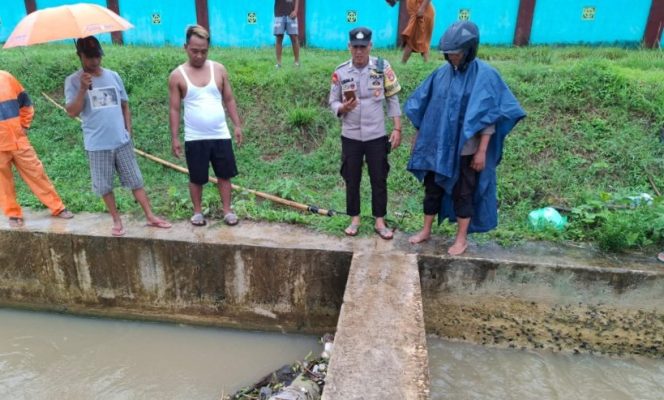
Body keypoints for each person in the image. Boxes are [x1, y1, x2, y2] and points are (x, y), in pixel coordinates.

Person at [405, 21, 525, 255]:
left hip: (466, 151)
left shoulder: (485, 75)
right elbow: (424, 108)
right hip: (437, 149)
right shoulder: (441, 74)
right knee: (432, 190)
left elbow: (489, 117)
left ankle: (461, 239)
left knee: (464, 193)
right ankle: (426, 230)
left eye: (456, 53)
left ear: (469, 50)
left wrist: (481, 151)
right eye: (448, 54)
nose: (451, 58)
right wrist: (418, 140)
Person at [65, 36, 171, 237]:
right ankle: (116, 220)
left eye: (97, 56)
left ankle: (150, 216)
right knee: (104, 185)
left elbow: (124, 104)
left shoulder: (113, 75)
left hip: (121, 141)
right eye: (90, 57)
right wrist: (81, 89)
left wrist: (127, 131)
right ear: (80, 55)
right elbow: (72, 111)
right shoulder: (73, 81)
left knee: (136, 180)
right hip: (97, 144)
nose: (95, 61)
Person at [328, 27, 402, 240]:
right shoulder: (340, 72)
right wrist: (342, 108)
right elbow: (332, 101)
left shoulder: (381, 67)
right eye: (355, 47)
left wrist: (397, 128)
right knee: (352, 178)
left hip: (376, 134)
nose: (359, 52)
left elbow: (392, 97)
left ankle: (380, 220)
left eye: (363, 47)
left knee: (379, 178)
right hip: (350, 135)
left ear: (370, 46)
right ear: (349, 47)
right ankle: (355, 218)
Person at [169, 25, 244, 227]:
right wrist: (175, 137)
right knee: (197, 177)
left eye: (204, 51)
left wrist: (237, 125)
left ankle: (227, 210)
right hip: (194, 137)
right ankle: (197, 212)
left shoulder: (218, 69)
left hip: (220, 134)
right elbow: (175, 109)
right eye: (194, 51)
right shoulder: (177, 75)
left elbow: (229, 99)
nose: (199, 55)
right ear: (185, 47)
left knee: (224, 174)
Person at [0, 70, 74, 227]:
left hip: (18, 140)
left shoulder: (6, 77)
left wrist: (24, 125)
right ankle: (13, 214)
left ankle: (58, 207)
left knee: (36, 173)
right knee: (3, 182)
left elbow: (25, 103)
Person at [273, 0, 300, 68]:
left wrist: (296, 11)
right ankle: (278, 63)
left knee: (294, 37)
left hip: (291, 14)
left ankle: (296, 62)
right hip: (279, 14)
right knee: (279, 37)